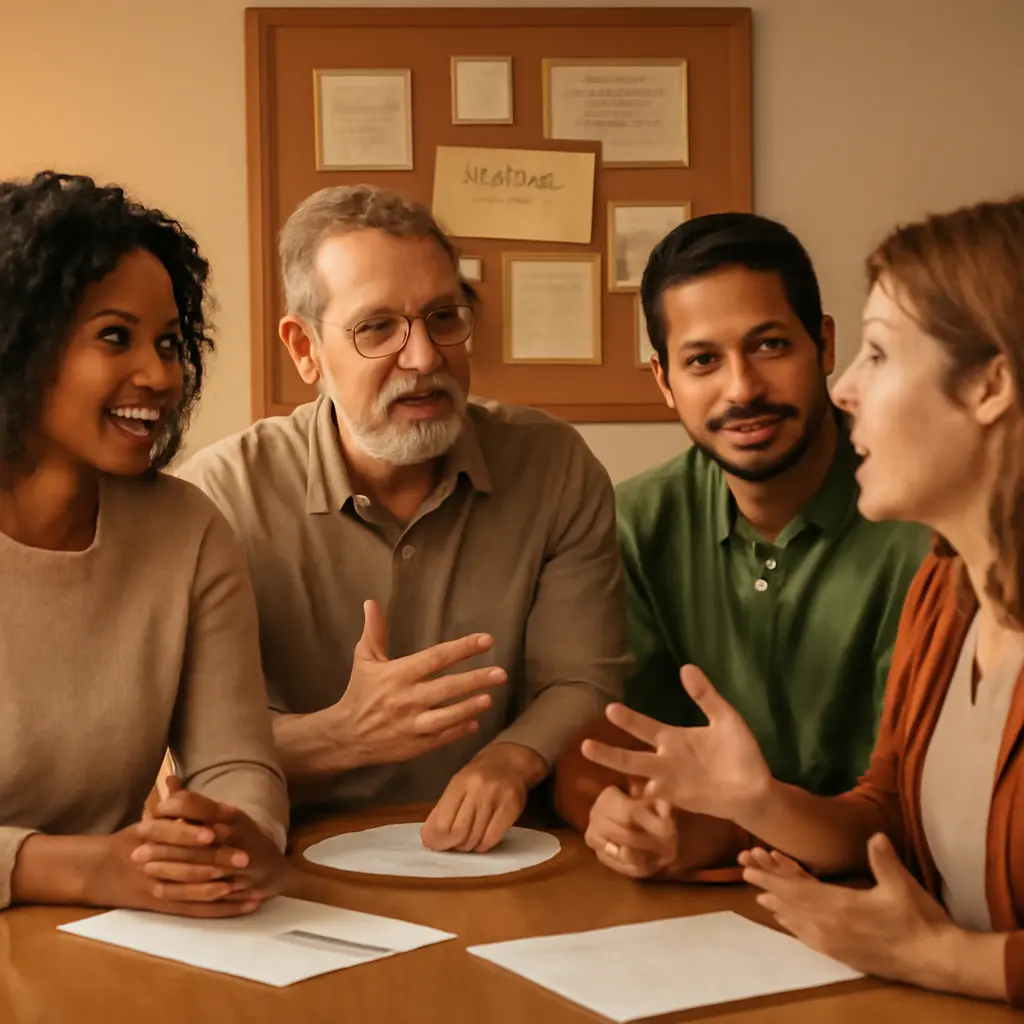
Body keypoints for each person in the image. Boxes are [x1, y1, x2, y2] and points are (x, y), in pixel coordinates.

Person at [581, 197, 1024, 1005]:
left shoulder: (918, 557)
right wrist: (752, 802)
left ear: (993, 384)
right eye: (703, 360)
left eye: (880, 356)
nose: (847, 387)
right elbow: (884, 806)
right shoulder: (950, 587)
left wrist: (943, 958)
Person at [177, 184, 626, 852]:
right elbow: (182, 752)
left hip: (503, 856)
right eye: (377, 328)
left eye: (444, 318)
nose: (423, 358)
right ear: (304, 349)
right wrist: (343, 734)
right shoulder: (220, 498)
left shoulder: (554, 467)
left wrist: (511, 759)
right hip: (288, 865)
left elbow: (583, 679)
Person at [554, 213, 929, 881]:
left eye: (769, 346)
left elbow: (908, 815)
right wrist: (615, 817)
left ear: (824, 344)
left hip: (883, 894)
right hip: (702, 911)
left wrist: (728, 827)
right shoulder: (636, 521)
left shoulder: (920, 522)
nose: (742, 389)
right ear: (664, 379)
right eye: (703, 360)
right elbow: (594, 742)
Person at [0, 171, 289, 916]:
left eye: (168, 342)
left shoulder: (187, 531)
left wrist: (237, 836)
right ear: (20, 341)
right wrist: (84, 870)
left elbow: (233, 758)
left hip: (113, 943)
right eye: (114, 337)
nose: (159, 374)